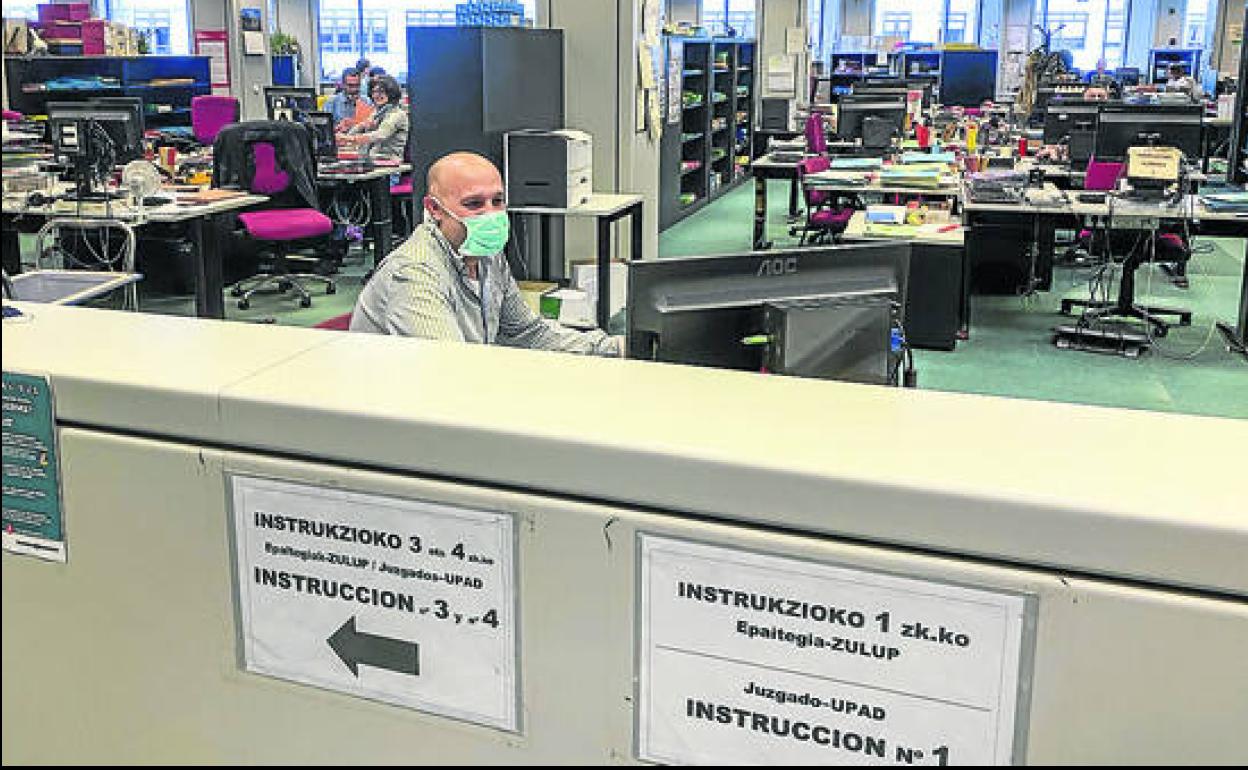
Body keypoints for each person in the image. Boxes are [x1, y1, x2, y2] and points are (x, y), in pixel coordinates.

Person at [349, 151, 622, 357]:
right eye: (474, 203)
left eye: (498, 201)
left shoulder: (486, 254)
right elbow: (449, 371)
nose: (490, 214)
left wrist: (615, 348)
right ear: (434, 209)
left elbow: (526, 332)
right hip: (401, 406)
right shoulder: (414, 273)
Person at [338, 74, 408, 159]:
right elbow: (362, 126)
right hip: (372, 160)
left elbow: (380, 135)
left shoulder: (397, 114)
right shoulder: (378, 112)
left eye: (381, 92)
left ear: (391, 93)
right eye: (374, 92)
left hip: (389, 162)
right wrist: (344, 138)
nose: (376, 95)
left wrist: (351, 138)